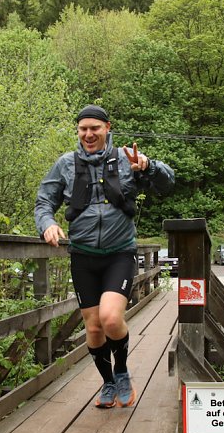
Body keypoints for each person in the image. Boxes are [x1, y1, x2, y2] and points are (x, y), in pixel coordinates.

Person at [35, 105, 175, 408]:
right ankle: (108, 382)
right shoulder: (66, 164)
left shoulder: (126, 160)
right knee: (94, 327)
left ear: (107, 128)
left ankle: (121, 371)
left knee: (111, 318)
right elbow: (44, 201)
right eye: (83, 129)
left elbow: (168, 184)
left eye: (94, 128)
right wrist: (47, 224)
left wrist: (148, 166)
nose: (88, 134)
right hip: (83, 256)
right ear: (78, 131)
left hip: (119, 253)